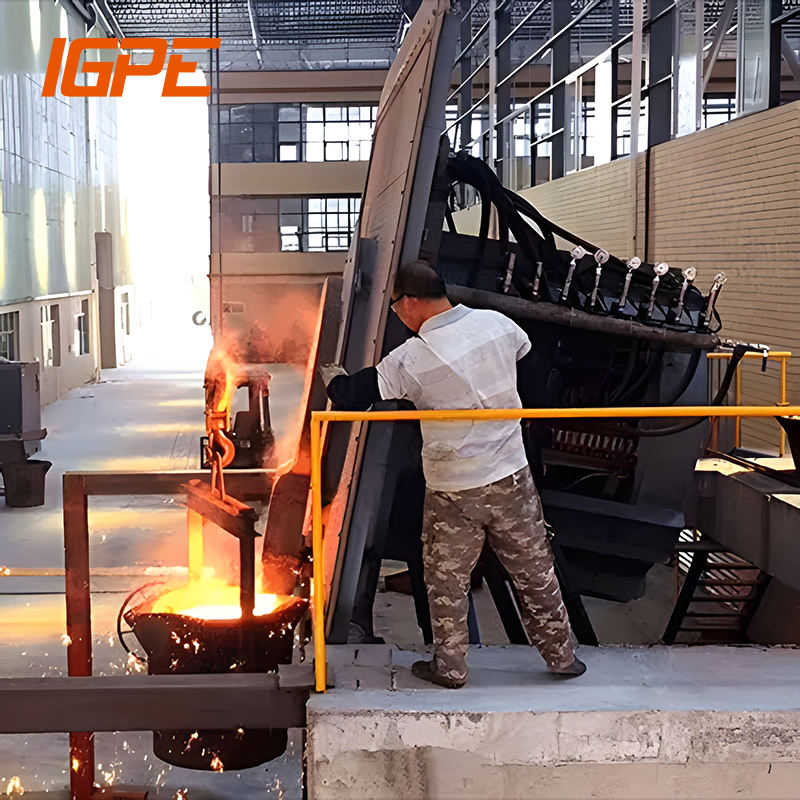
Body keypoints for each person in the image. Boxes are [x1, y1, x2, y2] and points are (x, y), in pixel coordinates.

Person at [324, 258, 586, 688]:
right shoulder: (497, 324)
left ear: (410, 302)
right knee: (534, 569)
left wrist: (332, 378)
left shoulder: (413, 357)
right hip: (511, 475)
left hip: (454, 489)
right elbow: (529, 364)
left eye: (396, 308)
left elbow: (354, 396)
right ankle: (562, 656)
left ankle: (450, 668)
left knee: (447, 580)